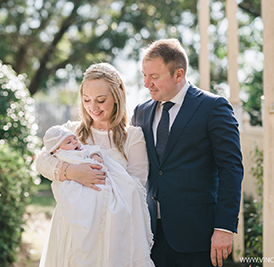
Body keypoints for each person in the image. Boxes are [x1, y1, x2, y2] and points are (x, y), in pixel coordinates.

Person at [131, 38, 244, 267]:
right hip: (150, 235)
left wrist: (224, 228)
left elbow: (231, 169)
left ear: (178, 75)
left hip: (198, 235)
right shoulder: (140, 112)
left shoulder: (214, 108)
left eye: (154, 77)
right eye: (144, 75)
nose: (146, 84)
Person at [36, 63, 155, 267]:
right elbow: (41, 160)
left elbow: (137, 185)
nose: (94, 107)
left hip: (113, 229)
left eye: (101, 100)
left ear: (117, 98)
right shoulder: (71, 133)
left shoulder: (132, 136)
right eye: (87, 100)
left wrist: (102, 180)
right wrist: (72, 172)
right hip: (73, 225)